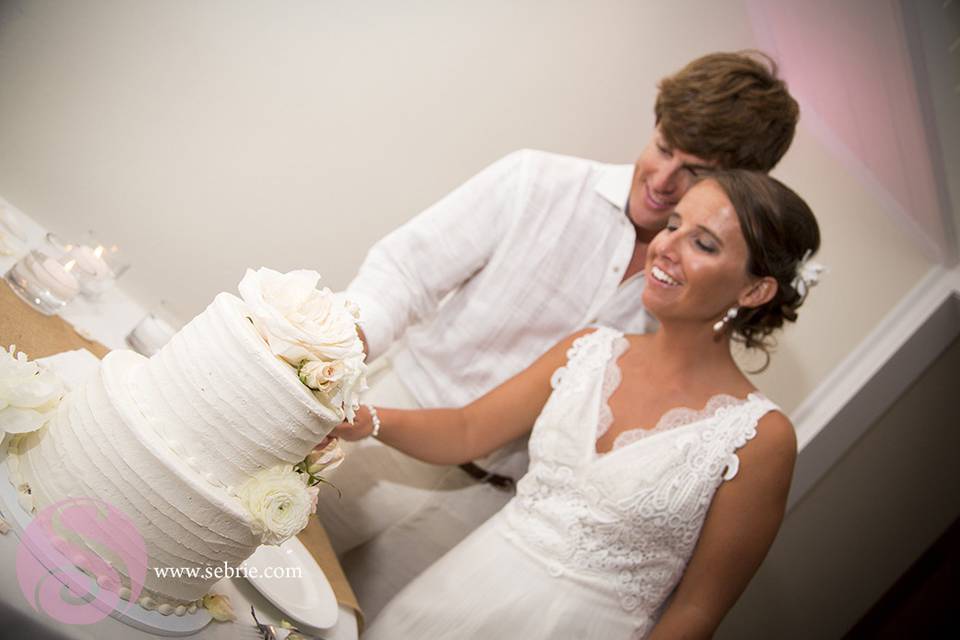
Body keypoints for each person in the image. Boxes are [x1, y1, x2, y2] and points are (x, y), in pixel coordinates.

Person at [317, 51, 800, 618]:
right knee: (239, 583)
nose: (665, 182)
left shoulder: (697, 303)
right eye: (664, 147)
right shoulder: (539, 180)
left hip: (486, 514)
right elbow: (403, 274)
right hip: (380, 434)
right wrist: (331, 357)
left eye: (696, 172)